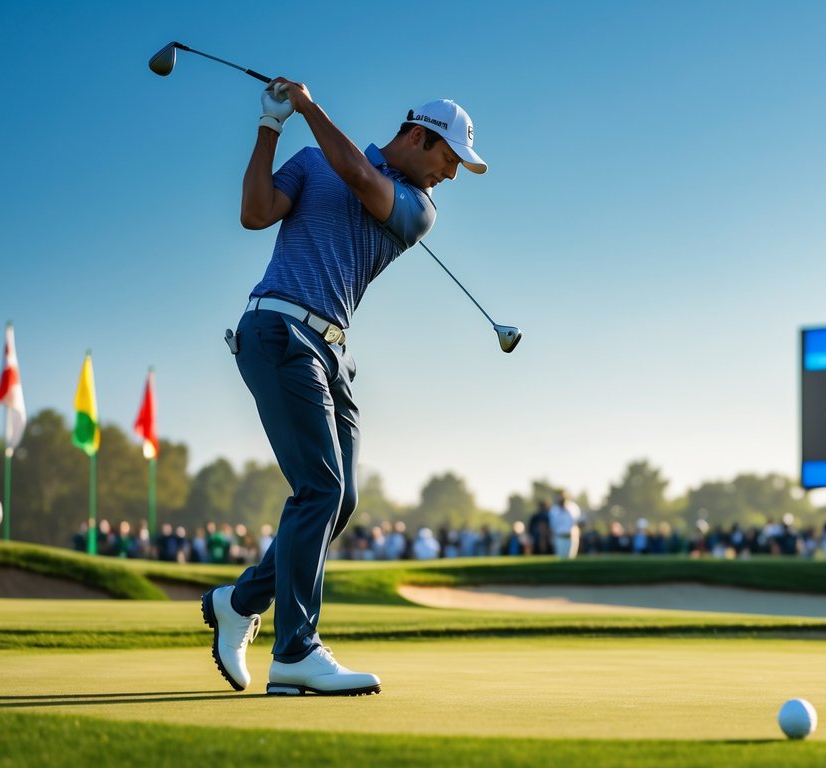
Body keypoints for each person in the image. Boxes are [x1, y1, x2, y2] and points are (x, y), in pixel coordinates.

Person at [200, 76, 487, 698]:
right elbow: (254, 214)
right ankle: (296, 651)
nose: (452, 174)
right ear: (419, 136)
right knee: (319, 486)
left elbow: (359, 176)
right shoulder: (313, 162)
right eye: (450, 158)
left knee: (341, 497)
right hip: (276, 327)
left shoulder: (417, 207)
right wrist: (270, 127)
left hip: (330, 350)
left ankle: (239, 601)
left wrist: (307, 106)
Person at [548, 491, 582, 559]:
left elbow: (578, 522)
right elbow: (553, 526)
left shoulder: (573, 507)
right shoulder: (554, 510)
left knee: (571, 559)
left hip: (572, 537)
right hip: (559, 538)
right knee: (560, 558)